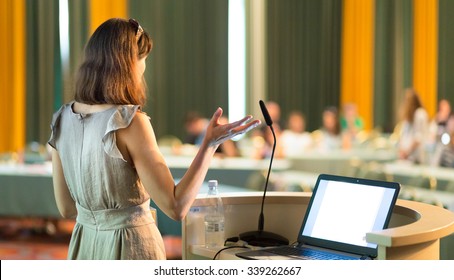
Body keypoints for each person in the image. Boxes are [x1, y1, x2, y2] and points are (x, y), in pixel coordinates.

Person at [47, 18, 260, 260]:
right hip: (129, 246)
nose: (144, 69)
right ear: (127, 64)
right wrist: (209, 146)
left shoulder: (61, 119)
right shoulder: (129, 121)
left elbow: (66, 208)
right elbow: (176, 206)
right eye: (143, 59)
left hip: (84, 244)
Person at [396, 88, 429, 164]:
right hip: (405, 157)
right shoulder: (407, 117)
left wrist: (407, 152)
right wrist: (401, 150)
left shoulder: (420, 114)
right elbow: (403, 135)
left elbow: (418, 138)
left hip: (416, 157)